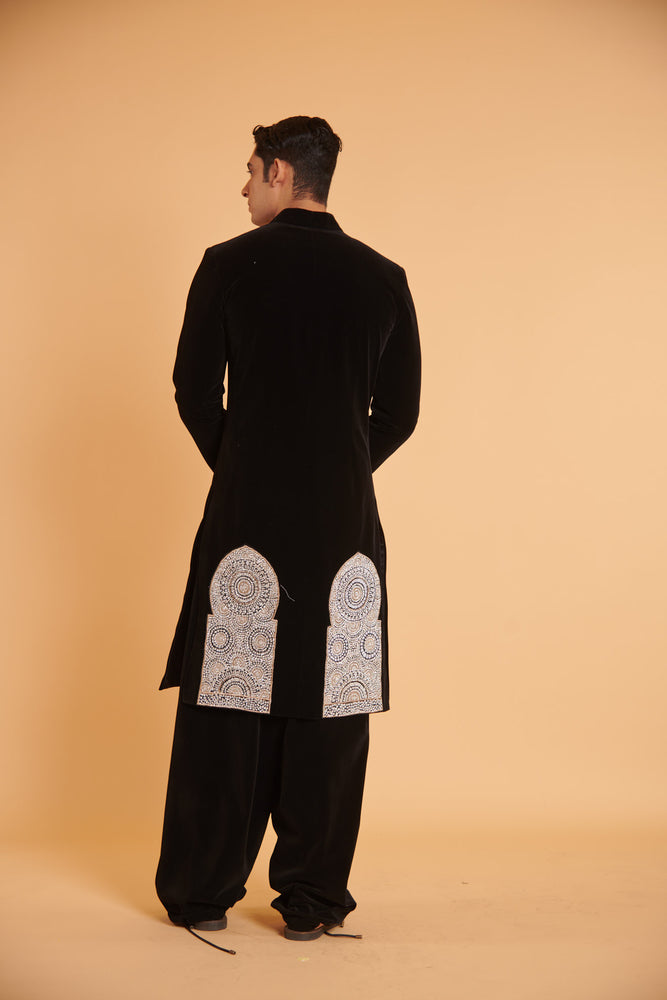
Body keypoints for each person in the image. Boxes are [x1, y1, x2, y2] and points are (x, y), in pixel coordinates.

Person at [155, 116, 421, 945]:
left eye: (249, 170)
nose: (242, 186)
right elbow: (400, 412)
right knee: (329, 708)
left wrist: (244, 467)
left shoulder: (227, 265)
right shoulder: (382, 277)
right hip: (344, 524)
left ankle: (201, 893)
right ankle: (311, 901)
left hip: (248, 516)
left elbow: (193, 390)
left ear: (278, 171)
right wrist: (338, 469)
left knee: (228, 699)